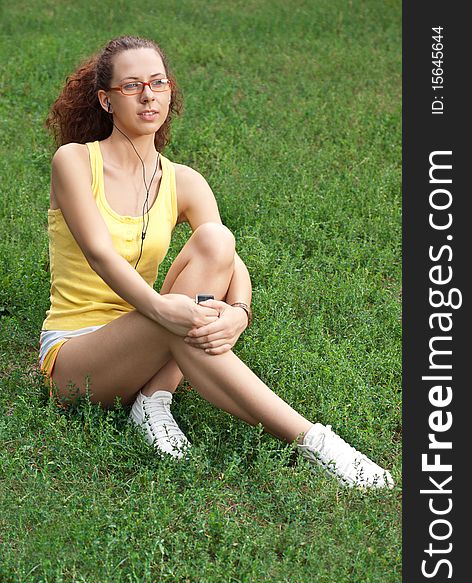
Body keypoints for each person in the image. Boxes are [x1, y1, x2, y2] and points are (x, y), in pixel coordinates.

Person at [39, 35, 394, 489]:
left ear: (169, 91)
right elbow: (100, 253)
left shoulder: (183, 181)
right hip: (78, 358)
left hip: (150, 328)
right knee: (178, 319)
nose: (148, 95)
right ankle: (319, 443)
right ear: (106, 100)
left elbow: (230, 260)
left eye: (158, 82)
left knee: (215, 240)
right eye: (131, 86)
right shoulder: (74, 161)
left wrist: (239, 314)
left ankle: (154, 397)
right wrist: (164, 308)